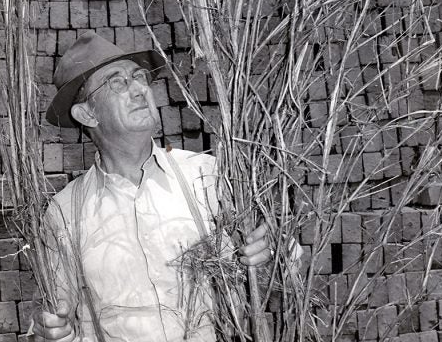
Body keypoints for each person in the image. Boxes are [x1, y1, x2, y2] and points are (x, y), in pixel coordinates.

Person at [34, 30, 272, 342]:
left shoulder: (205, 175)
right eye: (117, 82)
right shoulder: (64, 212)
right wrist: (50, 333)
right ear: (87, 114)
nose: (138, 90)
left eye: (139, 77)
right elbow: (57, 319)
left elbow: (270, 271)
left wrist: (266, 255)